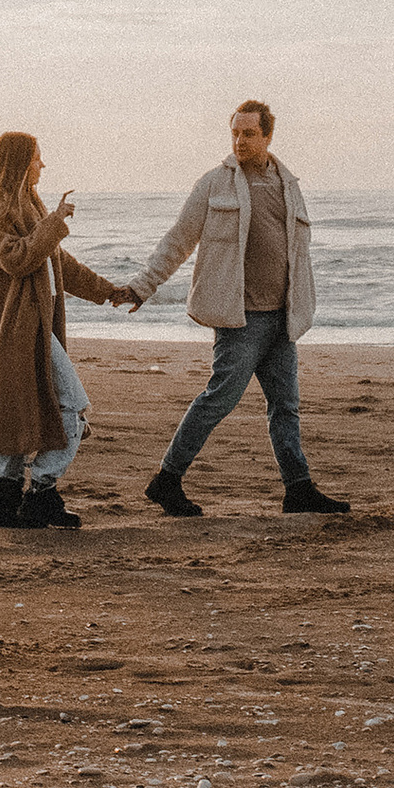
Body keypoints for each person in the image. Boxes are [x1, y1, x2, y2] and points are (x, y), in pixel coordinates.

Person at [123, 100, 351, 517]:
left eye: (249, 133)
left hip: (283, 317)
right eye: (235, 133)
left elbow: (298, 254)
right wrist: (143, 286)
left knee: (285, 406)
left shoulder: (288, 184)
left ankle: (298, 489)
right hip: (240, 318)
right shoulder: (214, 184)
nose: (240, 141)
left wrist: (299, 305)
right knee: (218, 400)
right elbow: (178, 240)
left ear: (267, 136)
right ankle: (167, 480)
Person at [0, 130, 135, 529]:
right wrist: (53, 222)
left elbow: (59, 262)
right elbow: (18, 259)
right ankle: (41, 491)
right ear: (20, 163)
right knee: (72, 407)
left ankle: (6, 501)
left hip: (36, 328)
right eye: (38, 158)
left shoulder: (26, 204)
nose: (43, 165)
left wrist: (107, 291)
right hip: (17, 331)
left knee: (18, 410)